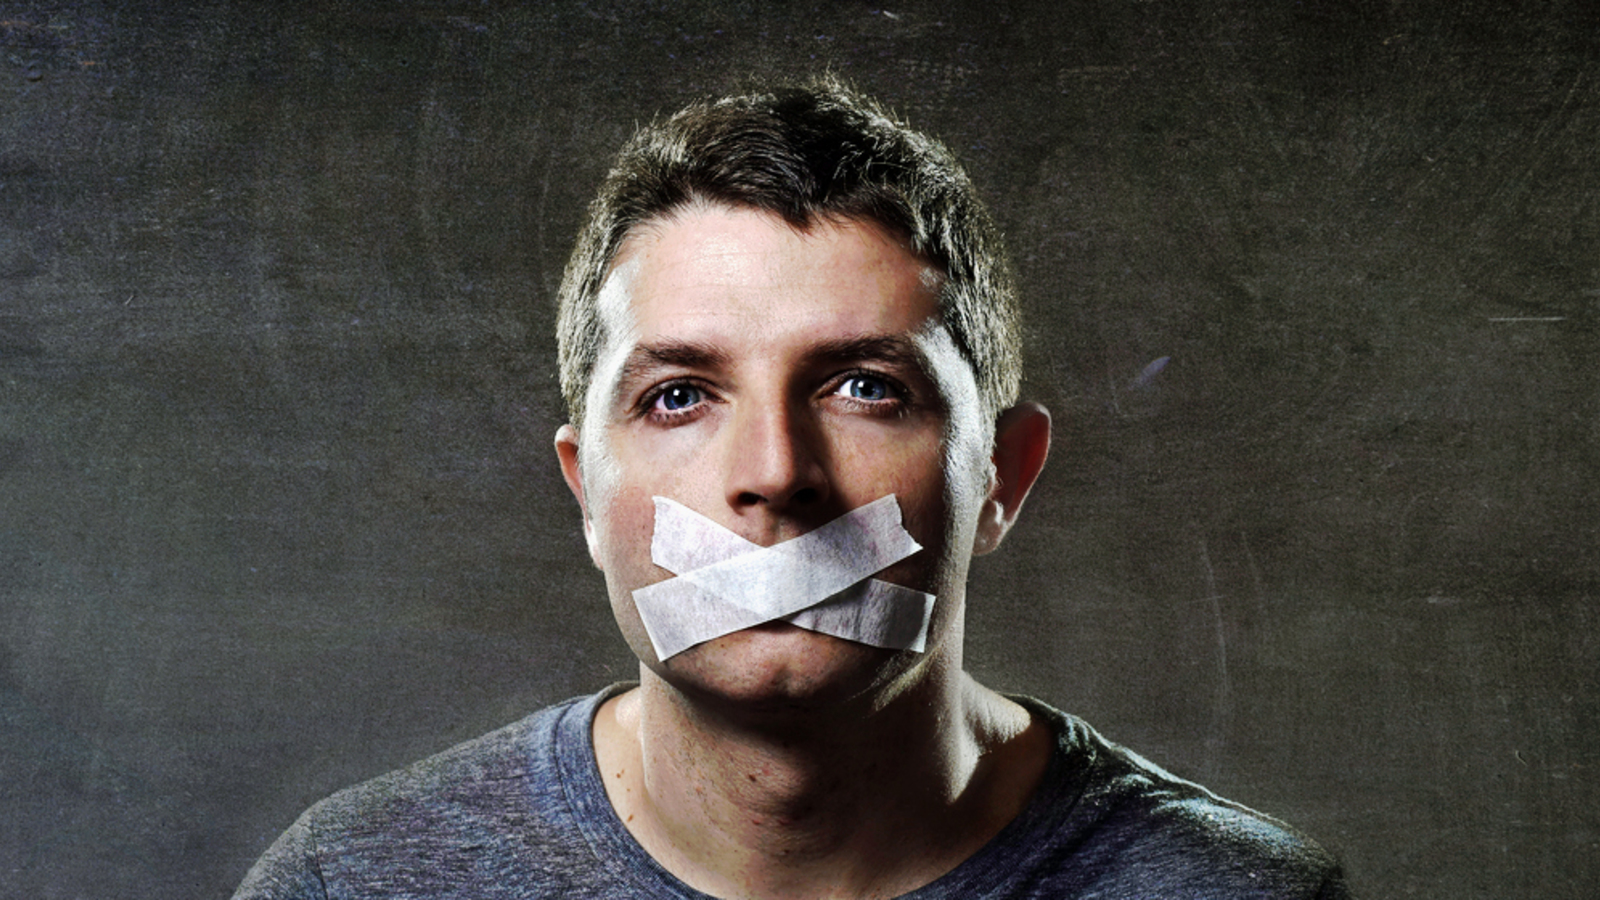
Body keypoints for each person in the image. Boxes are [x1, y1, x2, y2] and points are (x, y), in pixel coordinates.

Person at [233, 79, 1348, 899]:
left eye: (865, 388)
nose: (773, 474)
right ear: (585, 491)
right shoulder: (352, 882)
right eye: (679, 396)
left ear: (1001, 476)